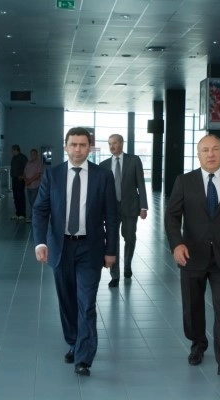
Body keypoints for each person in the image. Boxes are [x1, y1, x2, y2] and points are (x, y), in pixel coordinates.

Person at [32, 127, 117, 377]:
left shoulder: (103, 176)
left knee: (86, 302)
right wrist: (40, 243)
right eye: (73, 144)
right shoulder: (53, 175)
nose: (78, 149)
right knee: (67, 301)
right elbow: (40, 210)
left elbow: (112, 217)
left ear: (90, 147)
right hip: (60, 247)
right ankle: (74, 341)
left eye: (82, 145)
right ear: (65, 146)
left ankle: (84, 357)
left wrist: (111, 250)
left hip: (90, 248)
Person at [164, 134, 220, 376]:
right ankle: (197, 344)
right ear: (198, 154)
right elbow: (172, 217)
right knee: (192, 307)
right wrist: (177, 244)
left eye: (215, 149)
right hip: (191, 255)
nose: (210, 154)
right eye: (205, 150)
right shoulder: (184, 181)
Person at [100, 134, 148, 287]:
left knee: (130, 238)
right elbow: (101, 191)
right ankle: (115, 275)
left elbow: (141, 184)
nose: (112, 146)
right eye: (109, 144)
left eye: (114, 143)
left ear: (121, 143)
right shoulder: (104, 165)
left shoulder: (134, 161)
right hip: (111, 209)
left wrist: (143, 206)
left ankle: (127, 265)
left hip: (131, 207)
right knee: (112, 240)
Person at [23, 148, 44, 223]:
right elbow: (24, 172)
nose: (32, 155)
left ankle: (32, 217)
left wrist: (30, 181)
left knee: (33, 202)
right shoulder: (28, 162)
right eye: (31, 154)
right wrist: (26, 180)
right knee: (30, 202)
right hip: (28, 186)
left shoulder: (39, 163)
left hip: (35, 186)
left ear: (37, 155)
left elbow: (38, 175)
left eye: (34, 154)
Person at [10, 144, 28, 220]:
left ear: (16, 150)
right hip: (14, 179)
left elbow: (27, 168)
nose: (12, 152)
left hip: (20, 179)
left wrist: (23, 176)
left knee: (20, 196)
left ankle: (22, 214)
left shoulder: (22, 158)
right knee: (15, 196)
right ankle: (17, 213)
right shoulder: (14, 158)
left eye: (12, 150)